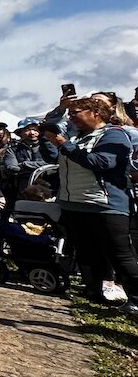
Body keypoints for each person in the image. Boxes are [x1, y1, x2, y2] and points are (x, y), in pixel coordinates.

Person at [40, 97, 138, 318]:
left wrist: (65, 145)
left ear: (96, 113)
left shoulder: (113, 135)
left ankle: (136, 298)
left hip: (105, 205)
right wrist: (52, 140)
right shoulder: (75, 137)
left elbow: (101, 162)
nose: (72, 116)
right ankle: (96, 292)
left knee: (120, 255)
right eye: (70, 113)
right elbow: (52, 155)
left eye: (77, 112)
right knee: (87, 253)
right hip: (74, 203)